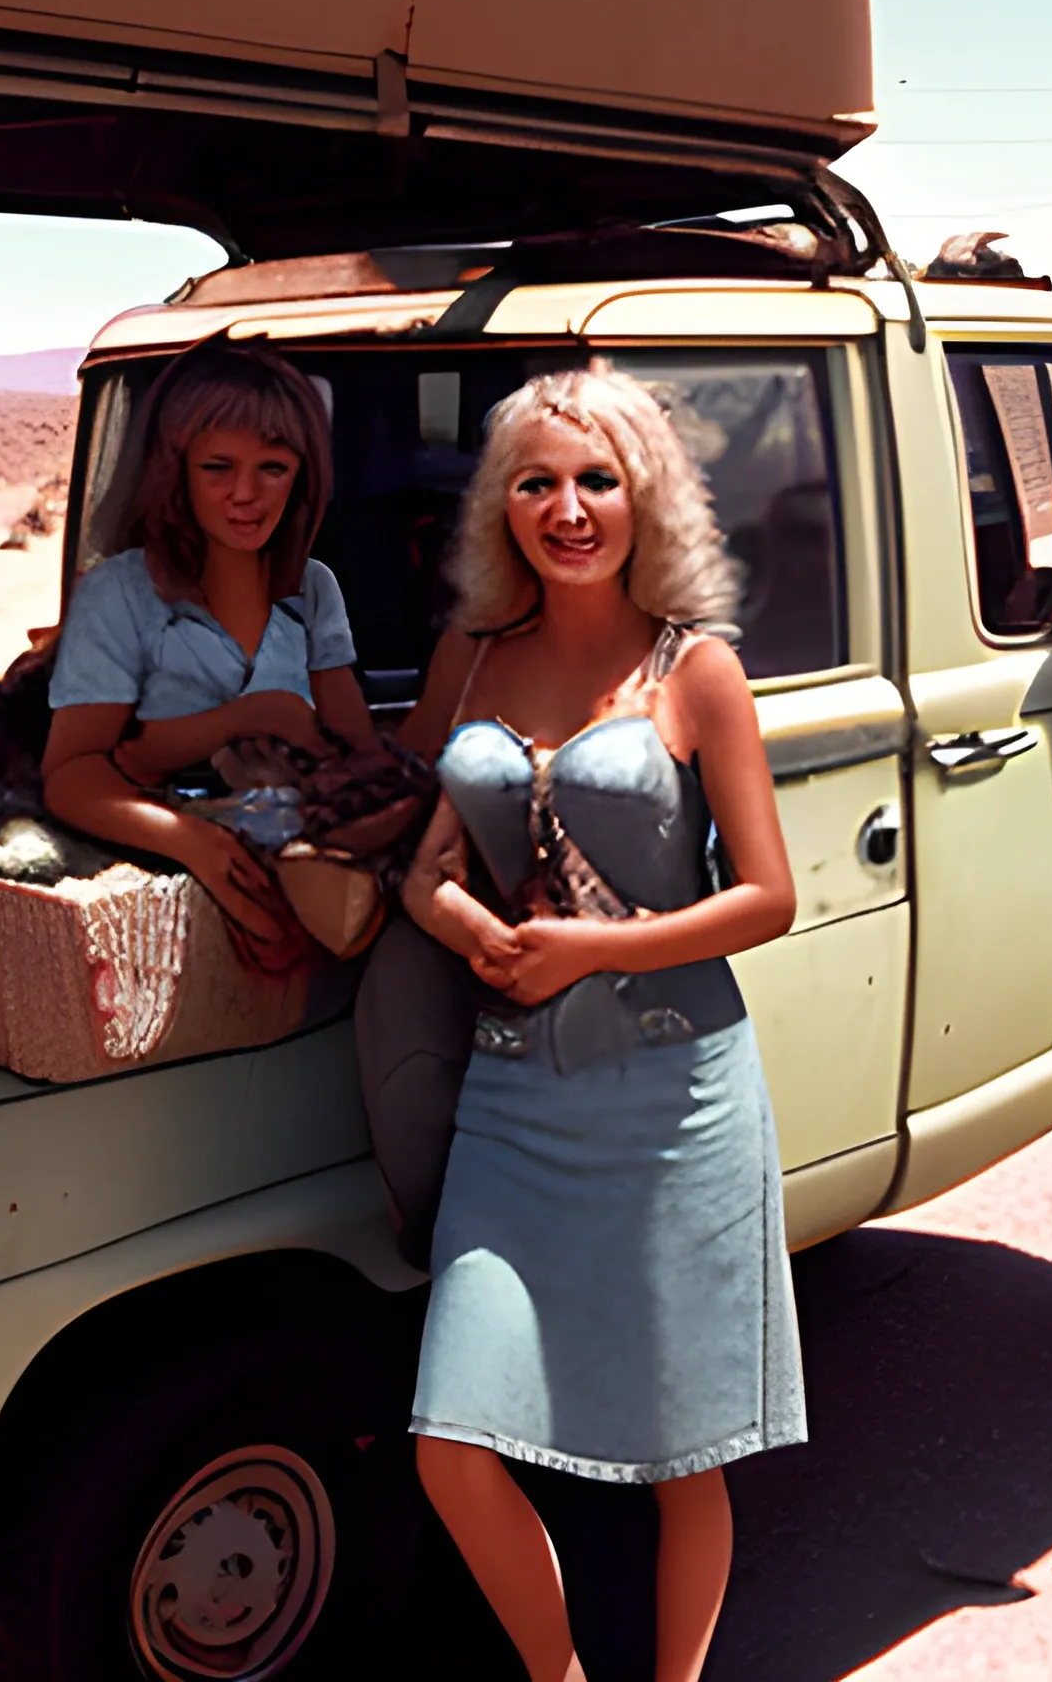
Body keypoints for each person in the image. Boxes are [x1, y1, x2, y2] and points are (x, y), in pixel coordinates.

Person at [400, 366, 804, 1682]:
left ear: (646, 498)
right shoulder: (473, 657)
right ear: (500, 505)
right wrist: (469, 929)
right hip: (514, 1104)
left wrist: (592, 947)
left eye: (595, 481)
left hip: (674, 1097)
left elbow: (767, 897)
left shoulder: (701, 673)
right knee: (452, 1443)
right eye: (536, 482)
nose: (566, 509)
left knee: (680, 1446)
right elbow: (426, 866)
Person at [41, 336, 382, 954]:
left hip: (304, 859)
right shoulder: (119, 593)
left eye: (272, 468)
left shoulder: (313, 588)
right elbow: (70, 777)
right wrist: (187, 838)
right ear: (177, 473)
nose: (245, 495)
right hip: (170, 869)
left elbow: (355, 747)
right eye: (218, 468)